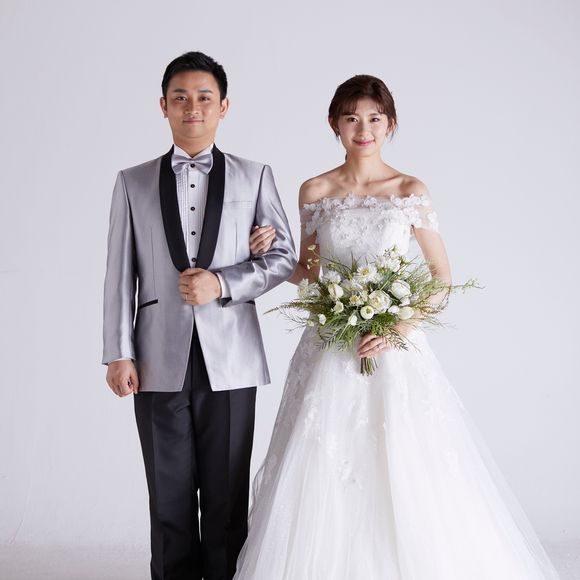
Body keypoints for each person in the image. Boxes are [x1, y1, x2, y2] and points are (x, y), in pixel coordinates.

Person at [232, 75, 561, 579]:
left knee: (406, 466)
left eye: (374, 118)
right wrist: (266, 250)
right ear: (334, 124)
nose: (363, 129)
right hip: (331, 345)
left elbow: (441, 278)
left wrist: (398, 327)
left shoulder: (409, 191)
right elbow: (310, 271)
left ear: (390, 124)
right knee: (320, 466)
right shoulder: (315, 191)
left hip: (395, 347)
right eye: (351, 118)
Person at [102, 51, 297, 580]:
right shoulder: (132, 182)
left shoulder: (255, 177)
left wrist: (224, 282)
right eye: (181, 97)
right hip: (155, 358)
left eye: (205, 97)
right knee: (167, 496)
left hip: (231, 355)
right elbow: (119, 274)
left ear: (223, 106)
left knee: (226, 497)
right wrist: (118, 352)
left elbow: (283, 259)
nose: (193, 107)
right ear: (163, 106)